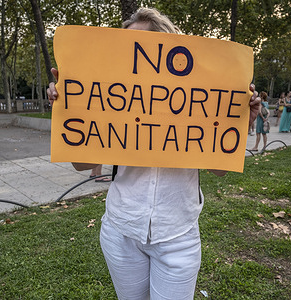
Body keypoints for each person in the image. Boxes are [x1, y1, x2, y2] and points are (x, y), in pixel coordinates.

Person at [47, 8, 260, 299]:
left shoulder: (197, 99)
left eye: (142, 46)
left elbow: (219, 170)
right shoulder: (114, 97)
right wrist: (71, 107)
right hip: (121, 231)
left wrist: (237, 122)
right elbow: (82, 163)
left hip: (178, 237)